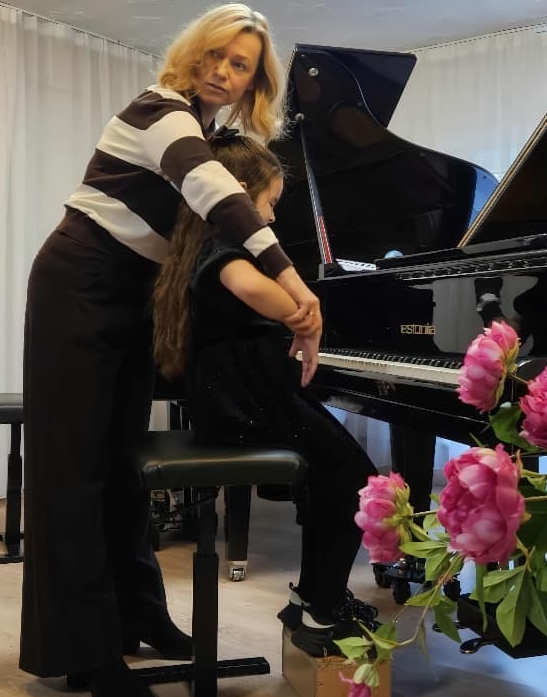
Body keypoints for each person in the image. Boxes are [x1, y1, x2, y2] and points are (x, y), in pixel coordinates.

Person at [19, 3, 322, 697]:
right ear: (193, 53)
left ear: (253, 84)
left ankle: (140, 617)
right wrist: (292, 282)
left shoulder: (211, 132)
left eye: (240, 65)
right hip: (77, 284)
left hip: (131, 295)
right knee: (74, 470)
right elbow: (215, 194)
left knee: (122, 466)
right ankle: (85, 653)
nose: (222, 71)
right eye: (215, 55)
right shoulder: (159, 111)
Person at [153, 131, 378, 658]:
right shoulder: (224, 246)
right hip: (245, 403)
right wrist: (301, 315)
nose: (273, 218)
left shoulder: (199, 242)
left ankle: (312, 599)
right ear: (235, 196)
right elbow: (250, 287)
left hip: (240, 399)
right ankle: (322, 612)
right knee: (356, 479)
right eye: (269, 203)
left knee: (331, 477)